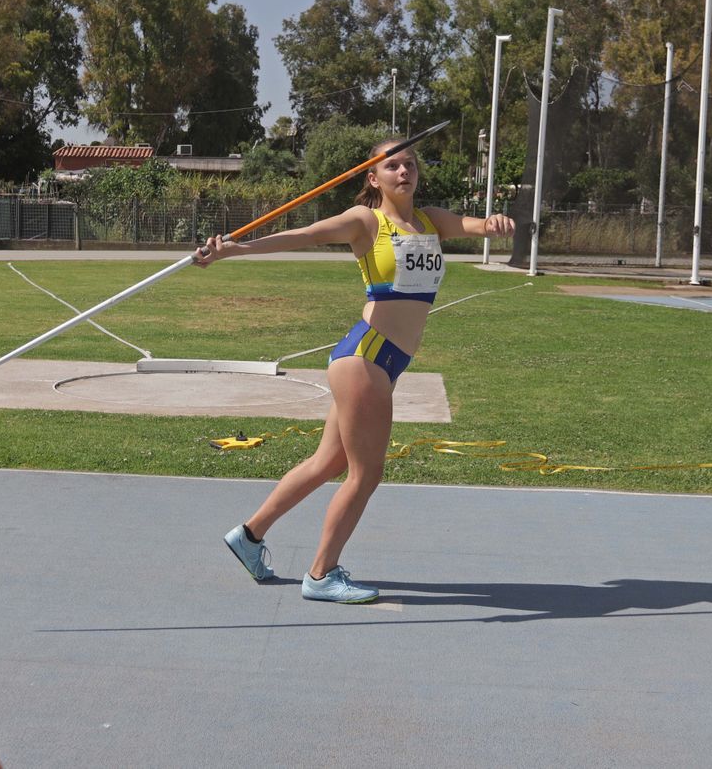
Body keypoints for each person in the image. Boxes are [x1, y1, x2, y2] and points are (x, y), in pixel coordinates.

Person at [197, 138, 514, 603]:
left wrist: (494, 224)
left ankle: (249, 535)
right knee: (366, 475)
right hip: (366, 359)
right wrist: (235, 249)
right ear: (373, 177)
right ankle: (321, 574)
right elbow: (305, 235)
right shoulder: (366, 221)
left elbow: (476, 225)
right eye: (392, 166)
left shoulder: (431, 221)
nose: (403, 172)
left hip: (384, 362)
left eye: (410, 164)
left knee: (327, 463)